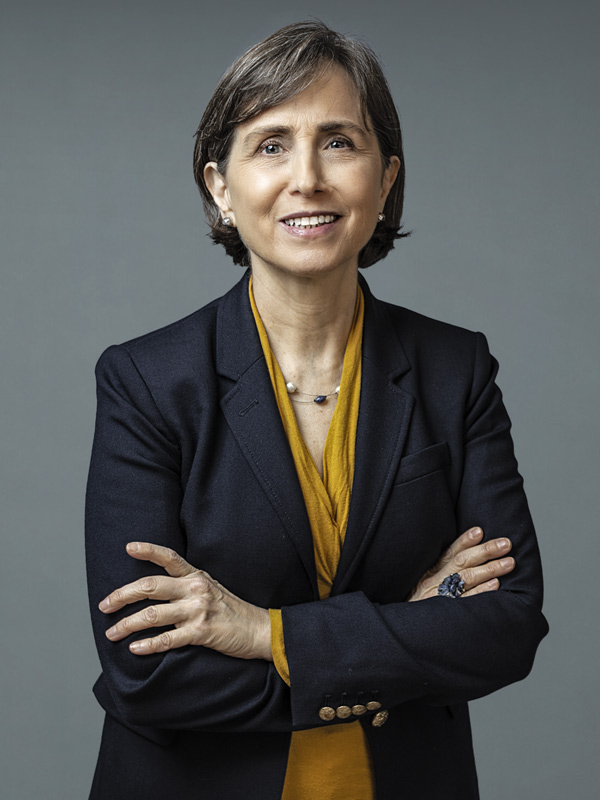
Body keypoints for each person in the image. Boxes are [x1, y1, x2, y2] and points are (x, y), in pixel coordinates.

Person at [85, 21, 548, 800]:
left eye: (339, 142)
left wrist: (263, 632)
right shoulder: (147, 381)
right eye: (271, 145)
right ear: (220, 187)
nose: (308, 178)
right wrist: (402, 633)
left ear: (385, 178)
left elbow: (507, 628)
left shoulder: (455, 369)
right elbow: (148, 674)